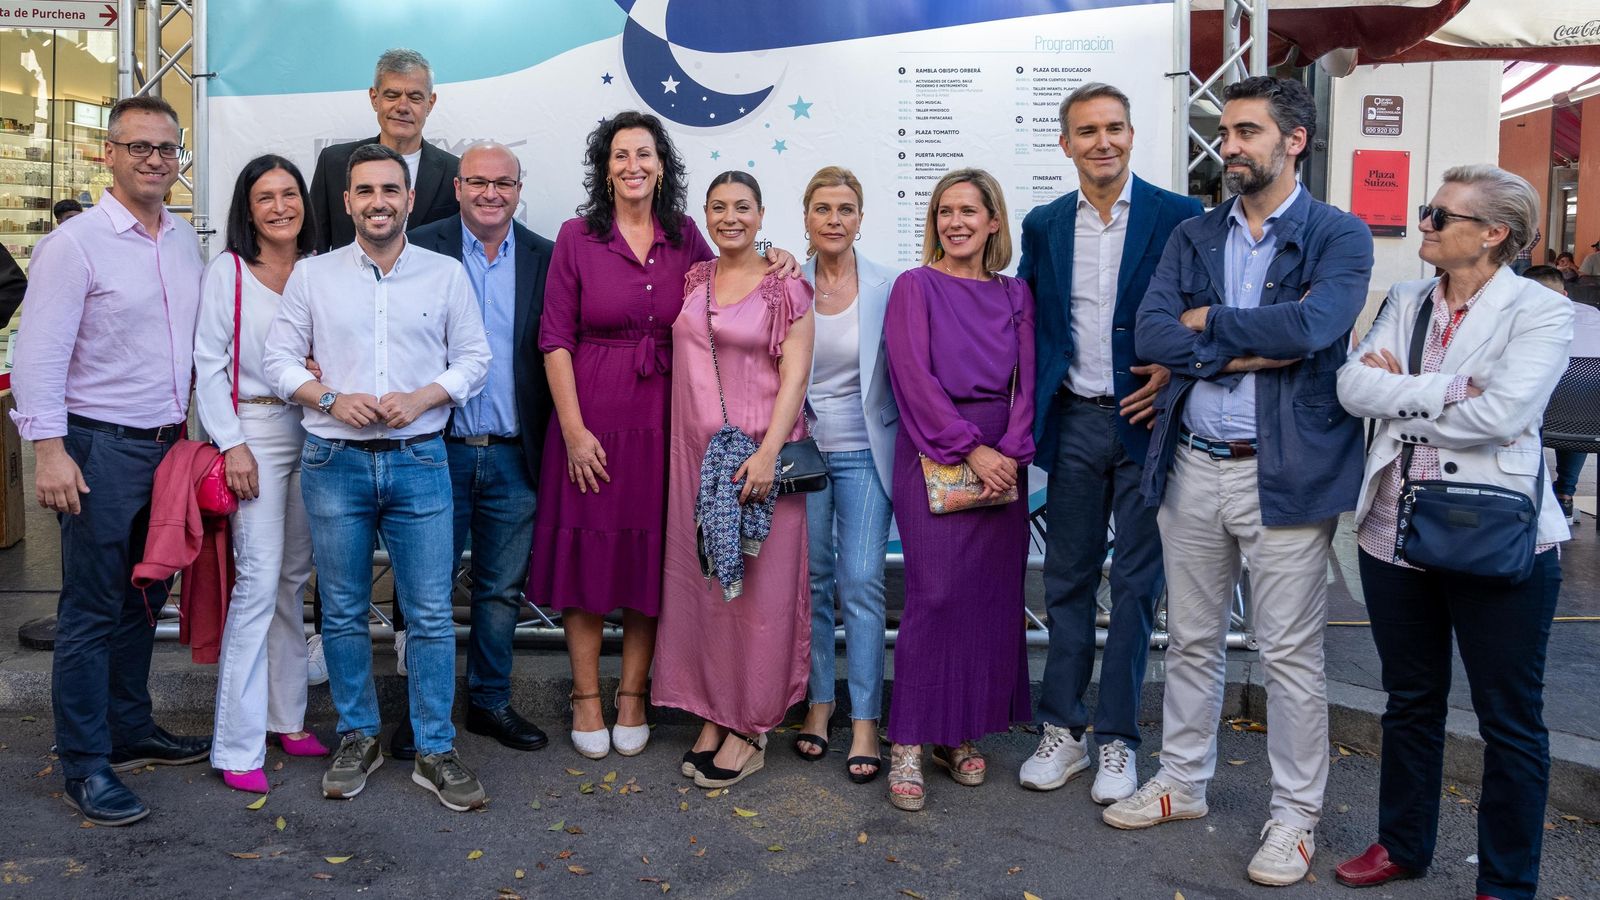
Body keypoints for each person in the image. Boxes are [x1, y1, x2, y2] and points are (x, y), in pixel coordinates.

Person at [1111, 75, 1375, 887]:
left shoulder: (1339, 234)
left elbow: (1315, 328)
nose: (1229, 146)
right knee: (1189, 640)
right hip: (1192, 464)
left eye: (1247, 132)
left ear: (1293, 141)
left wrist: (1208, 329)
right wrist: (1249, 344)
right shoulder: (1195, 236)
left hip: (1286, 474)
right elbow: (1153, 330)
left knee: (1290, 654)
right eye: (1225, 132)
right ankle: (1183, 783)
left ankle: (1293, 820)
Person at [1333, 165, 1571, 900]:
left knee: (1510, 719)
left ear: (1493, 234)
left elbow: (1503, 416)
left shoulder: (1539, 311)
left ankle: (1505, 880)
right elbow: (1351, 387)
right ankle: (1402, 844)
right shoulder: (1406, 299)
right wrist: (1445, 390)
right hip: (1391, 527)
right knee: (1409, 699)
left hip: (1495, 531)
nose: (1425, 224)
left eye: (1440, 214)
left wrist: (1399, 397)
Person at [530, 112, 797, 759]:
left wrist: (773, 254)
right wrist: (572, 430)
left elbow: (735, 275)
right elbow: (554, 339)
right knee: (588, 556)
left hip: (664, 424)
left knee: (652, 557)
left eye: (643, 155)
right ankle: (588, 696)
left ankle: (634, 695)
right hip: (591, 420)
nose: (632, 166)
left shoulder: (685, 239)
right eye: (620, 155)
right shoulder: (576, 237)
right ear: (605, 167)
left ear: (660, 165)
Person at [263, 142, 491, 810]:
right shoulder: (314, 276)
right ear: (347, 202)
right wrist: (330, 398)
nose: (378, 202)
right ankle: (358, 734)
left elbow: (475, 359)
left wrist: (425, 397)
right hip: (334, 463)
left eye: (390, 190)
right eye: (365, 192)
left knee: (426, 613)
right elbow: (277, 362)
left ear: (410, 199)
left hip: (421, 461)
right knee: (339, 611)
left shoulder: (445, 275)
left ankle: (434, 748)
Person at [10, 95, 210, 826]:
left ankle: (130, 730)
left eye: (167, 148)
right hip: (96, 448)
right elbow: (37, 353)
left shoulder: (183, 240)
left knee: (142, 604)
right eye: (140, 147)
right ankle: (86, 765)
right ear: (110, 153)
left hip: (165, 449)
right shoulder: (76, 244)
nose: (155, 160)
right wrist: (50, 451)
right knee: (92, 612)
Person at [1017, 82, 1203, 804]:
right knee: (1064, 579)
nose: (1103, 141)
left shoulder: (1180, 216)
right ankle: (1060, 730)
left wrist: (1177, 365)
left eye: (1114, 128)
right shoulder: (1043, 224)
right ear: (1066, 144)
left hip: (1149, 426)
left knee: (1135, 586)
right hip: (1073, 423)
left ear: (1132, 135)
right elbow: (1030, 324)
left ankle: (1118, 739)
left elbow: (1207, 310)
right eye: (1087, 131)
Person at [653, 170, 815, 788]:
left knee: (762, 599)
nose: (730, 217)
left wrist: (771, 453)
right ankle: (716, 712)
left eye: (742, 207)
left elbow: (795, 373)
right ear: (705, 215)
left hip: (756, 463)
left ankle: (751, 725)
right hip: (696, 463)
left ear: (761, 212)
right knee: (706, 595)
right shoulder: (698, 277)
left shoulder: (787, 288)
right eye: (718, 208)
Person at [883, 168, 1036, 813]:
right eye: (945, 211)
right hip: (934, 447)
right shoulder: (913, 287)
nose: (956, 222)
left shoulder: (1015, 293)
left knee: (986, 598)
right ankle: (909, 740)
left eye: (970, 211)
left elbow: (1029, 385)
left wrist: (1009, 452)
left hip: (1004, 456)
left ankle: (961, 733)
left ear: (993, 221)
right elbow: (911, 378)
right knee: (935, 595)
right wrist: (971, 448)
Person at [408, 141, 555, 752]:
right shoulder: (420, 247)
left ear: (519, 188)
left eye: (504, 182)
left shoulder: (546, 256)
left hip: (515, 452)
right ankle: (423, 715)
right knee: (426, 588)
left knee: (499, 590)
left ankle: (490, 704)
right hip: (435, 448)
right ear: (458, 187)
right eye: (477, 181)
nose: (491, 193)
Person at [193, 155, 326, 795]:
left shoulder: (324, 265)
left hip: (320, 430)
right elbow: (208, 366)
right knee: (256, 582)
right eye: (265, 196)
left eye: (289, 193)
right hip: (256, 433)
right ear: (248, 208)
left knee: (293, 580)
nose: (280, 206)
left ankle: (288, 717)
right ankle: (236, 743)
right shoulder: (230, 272)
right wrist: (232, 444)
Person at [792, 166, 897, 783]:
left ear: (861, 219)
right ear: (806, 217)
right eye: (823, 208)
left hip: (865, 452)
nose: (835, 219)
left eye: (846, 209)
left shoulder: (888, 284)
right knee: (811, 581)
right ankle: (818, 703)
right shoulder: (784, 283)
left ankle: (864, 719)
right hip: (803, 454)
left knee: (861, 581)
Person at [308, 48, 459, 254]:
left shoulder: (454, 172)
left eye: (414, 97)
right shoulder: (334, 163)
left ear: (430, 103)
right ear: (374, 98)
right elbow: (314, 246)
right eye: (392, 95)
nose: (402, 106)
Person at [1524, 264, 1599, 521]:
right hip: (1592, 422)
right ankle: (1565, 495)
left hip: (1543, 419)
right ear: (1565, 294)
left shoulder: (1521, 323)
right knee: (1582, 406)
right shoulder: (1593, 315)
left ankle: (1527, 495)